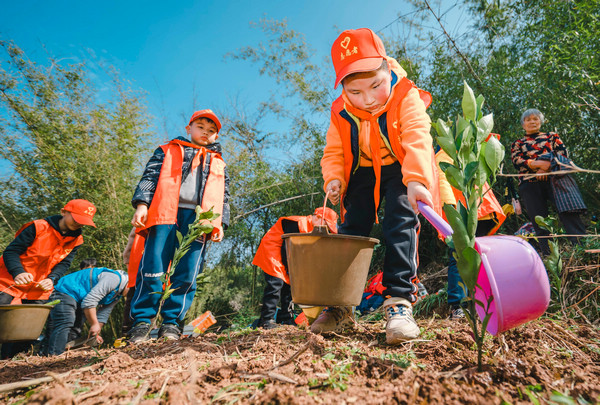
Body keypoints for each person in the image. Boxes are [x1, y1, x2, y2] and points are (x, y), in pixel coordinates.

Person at [318, 28, 439, 344]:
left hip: (401, 166)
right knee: (351, 229)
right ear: (344, 89)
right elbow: (334, 150)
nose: (368, 98)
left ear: (388, 69)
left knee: (400, 221)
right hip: (362, 172)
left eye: (376, 86)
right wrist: (334, 178)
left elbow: (417, 137)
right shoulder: (340, 111)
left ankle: (399, 303)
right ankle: (340, 306)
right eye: (356, 92)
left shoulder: (406, 94)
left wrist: (416, 181)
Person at [128, 109, 230, 343]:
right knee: (153, 266)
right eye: (201, 128)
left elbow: (224, 195)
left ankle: (172, 323)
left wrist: (220, 222)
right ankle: (142, 322)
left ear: (216, 136)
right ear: (189, 129)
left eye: (211, 131)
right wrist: (142, 204)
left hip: (199, 219)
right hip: (165, 212)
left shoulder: (219, 162)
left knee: (188, 271)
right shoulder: (167, 150)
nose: (206, 133)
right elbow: (150, 176)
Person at [0, 199, 96, 358]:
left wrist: (52, 279)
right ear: (64, 212)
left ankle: (8, 365)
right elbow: (11, 252)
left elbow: (64, 263)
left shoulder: (77, 240)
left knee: (26, 333)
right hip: (8, 282)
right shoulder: (38, 227)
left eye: (83, 222)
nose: (79, 224)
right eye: (76, 219)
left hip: (38, 289)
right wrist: (18, 272)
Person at [435, 136, 506, 319]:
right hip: (464, 212)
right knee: (462, 258)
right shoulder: (446, 155)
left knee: (471, 258)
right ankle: (460, 305)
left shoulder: (469, 152)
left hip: (478, 211)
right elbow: (442, 180)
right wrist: (450, 209)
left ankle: (479, 304)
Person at [511, 109, 586, 255]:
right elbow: (517, 161)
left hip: (555, 181)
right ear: (523, 124)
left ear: (541, 122)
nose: (532, 122)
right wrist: (537, 164)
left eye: (535, 119)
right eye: (528, 120)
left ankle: (581, 248)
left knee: (568, 212)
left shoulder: (552, 137)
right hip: (529, 184)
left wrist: (545, 169)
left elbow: (562, 155)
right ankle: (549, 256)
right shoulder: (518, 143)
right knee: (540, 220)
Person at [252, 207, 338, 329]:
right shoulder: (296, 223)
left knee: (289, 286)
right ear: (318, 218)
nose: (327, 230)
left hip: (287, 256)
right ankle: (266, 320)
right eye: (327, 226)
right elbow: (286, 247)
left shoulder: (310, 229)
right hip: (273, 251)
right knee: (275, 285)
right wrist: (291, 268)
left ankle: (286, 318)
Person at [44, 266, 129, 355]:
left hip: (81, 298)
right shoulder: (113, 279)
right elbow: (89, 302)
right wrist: (94, 324)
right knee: (65, 321)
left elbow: (104, 313)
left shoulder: (118, 294)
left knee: (76, 328)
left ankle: (65, 354)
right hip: (66, 290)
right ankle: (54, 355)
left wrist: (96, 332)